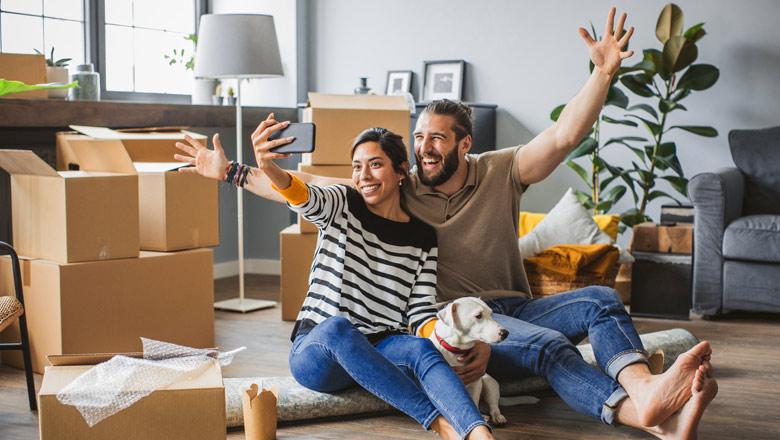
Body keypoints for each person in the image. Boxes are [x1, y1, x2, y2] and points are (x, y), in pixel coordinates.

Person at [183, 7, 718, 438]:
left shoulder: (500, 171)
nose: (424, 148)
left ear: (465, 142)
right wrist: (229, 170)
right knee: (546, 348)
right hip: (466, 329)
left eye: (437, 138)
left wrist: (602, 74)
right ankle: (639, 412)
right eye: (418, 138)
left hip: (516, 308)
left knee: (601, 300)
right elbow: (303, 192)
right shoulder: (394, 187)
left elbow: (561, 138)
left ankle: (649, 395)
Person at [176, 127, 493, 440]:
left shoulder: (423, 237)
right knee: (338, 328)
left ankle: (479, 432)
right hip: (319, 354)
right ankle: (444, 427)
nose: (363, 175)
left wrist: (456, 338)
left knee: (420, 347)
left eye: (375, 164)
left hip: (380, 350)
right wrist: (268, 167)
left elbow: (421, 312)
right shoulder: (343, 203)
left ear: (400, 172)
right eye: (357, 166)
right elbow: (303, 196)